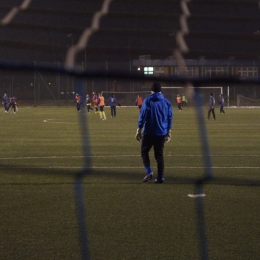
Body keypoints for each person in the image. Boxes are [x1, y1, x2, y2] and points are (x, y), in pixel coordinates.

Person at [135, 82, 172, 183]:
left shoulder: (147, 101)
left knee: (144, 152)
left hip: (149, 132)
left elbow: (143, 115)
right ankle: (160, 177)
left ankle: (149, 172)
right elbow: (169, 117)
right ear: (160, 91)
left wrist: (139, 129)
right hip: (161, 132)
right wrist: (169, 131)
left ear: (151, 90)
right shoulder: (166, 102)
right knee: (159, 155)